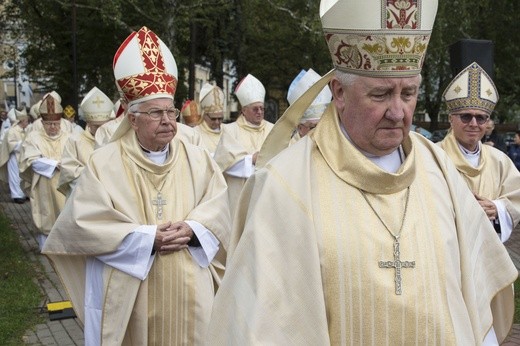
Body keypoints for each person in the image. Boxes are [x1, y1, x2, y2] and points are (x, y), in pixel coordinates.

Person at [206, 1, 517, 345]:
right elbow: (261, 325)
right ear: (339, 92)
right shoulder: (284, 186)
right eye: (381, 94)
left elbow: (477, 299)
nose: (398, 112)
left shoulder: (438, 168)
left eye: (409, 93)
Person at [42, 26, 230, 345]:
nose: (168, 120)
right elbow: (84, 224)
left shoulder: (199, 159)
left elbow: (220, 208)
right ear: (132, 118)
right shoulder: (105, 164)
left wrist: (194, 229)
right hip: (133, 292)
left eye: (170, 111)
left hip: (192, 293)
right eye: (156, 113)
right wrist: (146, 238)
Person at [438, 62, 520, 243]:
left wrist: (497, 208)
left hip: (489, 248)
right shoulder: (433, 156)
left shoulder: (499, 160)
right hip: (448, 247)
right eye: (466, 116)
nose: (474, 124)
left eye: (481, 117)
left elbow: (517, 196)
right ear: (451, 118)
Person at [213, 73, 274, 217]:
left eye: (262, 108)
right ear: (244, 110)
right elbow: (223, 164)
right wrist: (250, 159)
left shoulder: (273, 129)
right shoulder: (230, 131)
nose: (259, 112)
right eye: (255, 109)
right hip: (239, 197)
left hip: (267, 194)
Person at [19, 93, 70, 250]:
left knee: (65, 216)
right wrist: (55, 164)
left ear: (60, 122)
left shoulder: (69, 137)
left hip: (64, 185)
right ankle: (46, 250)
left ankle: (65, 250)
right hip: (44, 185)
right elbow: (31, 161)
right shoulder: (33, 138)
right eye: (49, 124)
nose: (53, 127)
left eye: (56, 123)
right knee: (46, 216)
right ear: (42, 122)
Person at [58, 87, 114, 196]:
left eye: (104, 126)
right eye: (97, 126)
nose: (101, 130)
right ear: (88, 123)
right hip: (81, 196)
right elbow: (68, 171)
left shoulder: (113, 140)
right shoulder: (74, 141)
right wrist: (96, 175)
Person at [286, 68, 331, 144]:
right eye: (313, 127)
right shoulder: (288, 153)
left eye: (322, 126)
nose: (318, 132)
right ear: (300, 128)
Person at [0, 107, 30, 203]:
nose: (27, 123)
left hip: (23, 157)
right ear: (22, 121)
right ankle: (17, 195)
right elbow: (10, 144)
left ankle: (24, 194)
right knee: (15, 176)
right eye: (26, 121)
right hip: (14, 157)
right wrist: (22, 143)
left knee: (23, 176)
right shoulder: (12, 131)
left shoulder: (26, 130)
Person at [193, 83, 225, 155]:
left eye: (220, 118)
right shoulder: (195, 133)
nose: (217, 122)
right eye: (213, 119)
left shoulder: (228, 131)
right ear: (204, 115)